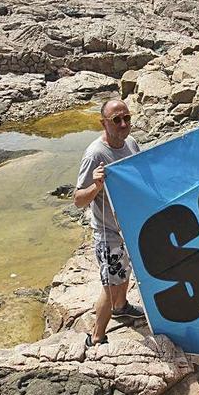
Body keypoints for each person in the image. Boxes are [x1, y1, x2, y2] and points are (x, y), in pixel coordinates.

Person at [74, 100, 145, 347]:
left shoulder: (132, 143)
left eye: (127, 118)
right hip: (108, 233)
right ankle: (96, 336)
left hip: (131, 227)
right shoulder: (95, 154)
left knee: (123, 275)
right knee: (110, 284)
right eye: (116, 120)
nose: (123, 124)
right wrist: (97, 185)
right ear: (103, 122)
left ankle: (121, 307)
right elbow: (78, 200)